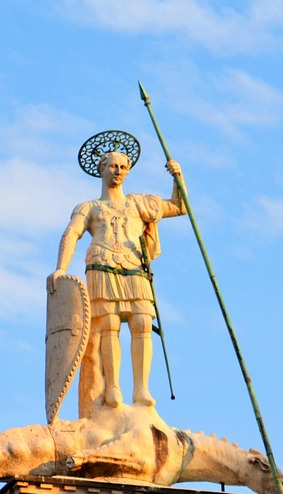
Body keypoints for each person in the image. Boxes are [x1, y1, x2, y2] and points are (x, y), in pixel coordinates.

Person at [48, 150, 185, 414]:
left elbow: (179, 206)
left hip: (134, 265)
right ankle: (112, 387)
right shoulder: (88, 207)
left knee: (142, 322)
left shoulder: (139, 203)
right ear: (102, 169)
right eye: (113, 166)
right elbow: (72, 233)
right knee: (109, 324)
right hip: (101, 265)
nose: (119, 171)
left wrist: (178, 178)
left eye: (123, 167)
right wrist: (60, 269)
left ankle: (141, 389)